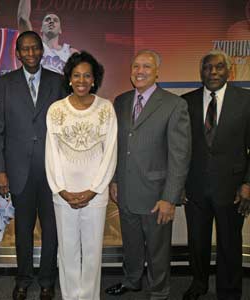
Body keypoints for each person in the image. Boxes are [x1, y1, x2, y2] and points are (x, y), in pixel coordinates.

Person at [105, 49, 191, 300]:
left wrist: (169, 198)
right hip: (126, 191)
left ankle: (159, 292)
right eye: (135, 66)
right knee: (131, 245)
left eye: (146, 67)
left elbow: (180, 155)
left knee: (157, 250)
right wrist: (114, 180)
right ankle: (132, 281)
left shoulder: (175, 104)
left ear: (157, 72)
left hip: (157, 196)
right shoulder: (120, 101)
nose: (139, 71)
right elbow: (117, 146)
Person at [0, 31, 65, 300]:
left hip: (52, 172)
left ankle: (47, 280)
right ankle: (23, 279)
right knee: (22, 231)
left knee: (51, 231)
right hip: (17, 171)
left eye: (35, 48)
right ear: (17, 53)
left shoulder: (58, 82)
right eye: (25, 49)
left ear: (42, 51)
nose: (30, 53)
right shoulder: (5, 84)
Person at [45, 51, 117, 300]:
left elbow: (110, 153)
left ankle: (88, 297)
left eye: (87, 75)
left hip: (95, 194)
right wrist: (61, 190)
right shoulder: (56, 110)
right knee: (67, 251)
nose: (82, 80)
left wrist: (93, 189)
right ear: (69, 79)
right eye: (76, 75)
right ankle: (70, 296)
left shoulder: (106, 108)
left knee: (92, 251)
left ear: (95, 79)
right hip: (63, 194)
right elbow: (51, 153)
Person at [181, 50, 250, 300]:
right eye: (208, 68)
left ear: (229, 71)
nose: (213, 73)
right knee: (197, 242)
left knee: (229, 243)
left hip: (232, 188)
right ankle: (198, 284)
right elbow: (180, 148)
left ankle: (229, 291)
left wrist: (248, 184)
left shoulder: (246, 100)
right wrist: (179, 184)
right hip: (195, 187)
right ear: (201, 72)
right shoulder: (185, 102)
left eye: (219, 67)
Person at [17, 0, 78, 74]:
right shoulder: (33, 44)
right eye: (47, 20)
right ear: (41, 29)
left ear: (60, 30)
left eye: (55, 20)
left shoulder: (71, 52)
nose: (51, 21)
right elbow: (23, 19)